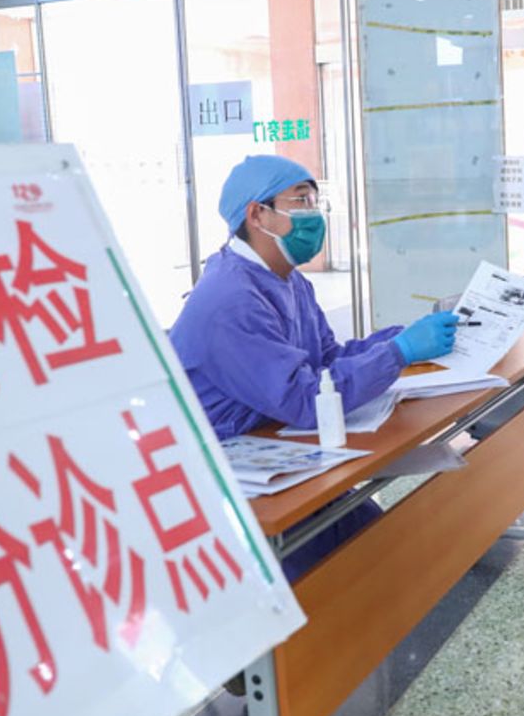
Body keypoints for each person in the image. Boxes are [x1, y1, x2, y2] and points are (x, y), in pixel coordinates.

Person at [168, 154, 459, 581]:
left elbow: (325, 360)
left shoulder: (286, 279)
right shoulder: (230, 299)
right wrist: (398, 353)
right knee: (356, 570)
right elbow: (304, 397)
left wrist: (400, 339)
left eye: (315, 203)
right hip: (230, 478)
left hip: (280, 446)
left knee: (378, 545)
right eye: (301, 202)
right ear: (256, 214)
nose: (315, 216)